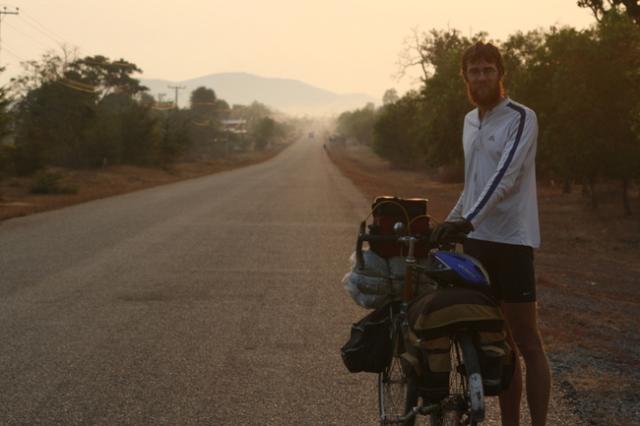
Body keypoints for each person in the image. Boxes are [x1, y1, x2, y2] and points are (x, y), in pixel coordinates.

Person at [430, 42, 551, 426]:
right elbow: (474, 185)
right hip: (477, 243)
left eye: (488, 70)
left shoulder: (521, 117)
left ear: (501, 74)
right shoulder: (469, 121)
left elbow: (505, 176)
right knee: (501, 345)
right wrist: (448, 224)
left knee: (528, 342)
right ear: (464, 77)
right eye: (474, 71)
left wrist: (467, 220)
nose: (481, 77)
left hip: (511, 242)